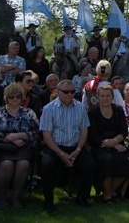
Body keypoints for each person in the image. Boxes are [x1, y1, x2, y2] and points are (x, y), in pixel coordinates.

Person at [40, 79, 96, 212]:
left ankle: (82, 197)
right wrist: (61, 153)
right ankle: (48, 201)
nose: (69, 94)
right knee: (46, 165)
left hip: (75, 147)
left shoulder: (80, 107)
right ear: (58, 92)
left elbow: (84, 131)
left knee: (91, 164)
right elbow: (46, 135)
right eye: (66, 92)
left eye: (72, 92)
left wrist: (77, 150)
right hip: (55, 147)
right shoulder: (49, 109)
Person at [0, 82, 40, 209]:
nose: (15, 99)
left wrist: (20, 136)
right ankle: (2, 197)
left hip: (23, 147)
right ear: (6, 98)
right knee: (7, 164)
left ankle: (16, 197)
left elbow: (36, 131)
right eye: (11, 96)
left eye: (17, 96)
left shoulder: (29, 112)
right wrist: (10, 139)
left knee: (23, 164)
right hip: (1, 147)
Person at [88, 84, 129, 203]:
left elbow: (124, 130)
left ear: (112, 97)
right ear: (98, 97)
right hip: (100, 146)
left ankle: (112, 189)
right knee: (106, 161)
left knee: (127, 161)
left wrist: (116, 141)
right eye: (102, 96)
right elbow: (93, 135)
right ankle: (107, 193)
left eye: (108, 96)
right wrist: (113, 144)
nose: (105, 98)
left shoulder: (118, 110)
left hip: (118, 144)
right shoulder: (93, 113)